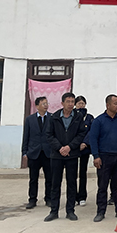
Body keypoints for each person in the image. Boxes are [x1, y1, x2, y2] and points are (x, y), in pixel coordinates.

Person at [44, 92, 87, 222]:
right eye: (68, 101)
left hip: (72, 154)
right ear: (62, 103)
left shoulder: (78, 117)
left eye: (72, 102)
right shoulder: (54, 117)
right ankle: (54, 211)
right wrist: (60, 148)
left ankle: (70, 211)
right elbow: (49, 135)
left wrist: (70, 147)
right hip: (57, 155)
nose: (70, 104)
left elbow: (81, 134)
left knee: (72, 183)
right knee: (55, 183)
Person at [90, 94, 117, 222]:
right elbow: (93, 139)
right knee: (102, 186)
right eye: (115, 103)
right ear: (108, 105)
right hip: (104, 157)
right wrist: (96, 156)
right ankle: (100, 211)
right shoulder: (99, 121)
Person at [22, 96, 51, 210]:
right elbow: (26, 136)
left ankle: (49, 198)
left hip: (48, 152)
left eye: (47, 103)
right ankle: (32, 199)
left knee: (49, 178)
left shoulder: (52, 118)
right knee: (33, 179)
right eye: (43, 104)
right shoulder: (30, 119)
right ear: (37, 106)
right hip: (34, 152)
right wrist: (24, 152)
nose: (46, 105)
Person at [74, 95, 94, 207]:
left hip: (84, 149)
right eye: (79, 103)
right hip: (73, 148)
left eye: (82, 103)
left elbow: (91, 131)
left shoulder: (89, 117)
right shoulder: (72, 116)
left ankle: (82, 196)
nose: (81, 105)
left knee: (83, 173)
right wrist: (76, 144)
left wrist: (85, 143)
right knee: (72, 174)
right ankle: (73, 196)